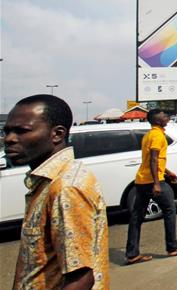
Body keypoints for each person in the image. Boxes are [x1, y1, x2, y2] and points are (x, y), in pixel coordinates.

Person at [5, 95, 108, 289]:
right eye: (7, 131)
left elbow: (81, 279)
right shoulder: (48, 181)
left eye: (21, 131)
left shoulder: (66, 187)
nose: (9, 139)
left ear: (57, 134)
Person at [126, 109, 177, 264]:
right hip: (152, 181)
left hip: (141, 181)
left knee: (136, 217)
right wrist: (157, 183)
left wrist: (168, 172)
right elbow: (154, 159)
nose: (167, 118)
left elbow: (152, 159)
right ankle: (172, 247)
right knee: (169, 210)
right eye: (164, 116)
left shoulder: (150, 134)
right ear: (157, 120)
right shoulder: (156, 136)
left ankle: (132, 254)